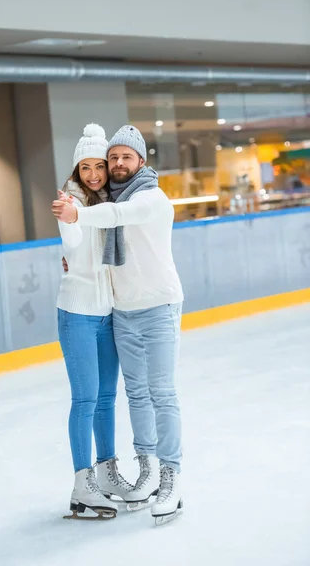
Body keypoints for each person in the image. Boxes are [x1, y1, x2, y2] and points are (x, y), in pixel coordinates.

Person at [53, 125, 184, 525]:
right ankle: (138, 470)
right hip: (117, 310)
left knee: (159, 392)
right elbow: (79, 242)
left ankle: (170, 476)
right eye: (112, 159)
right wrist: (71, 236)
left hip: (156, 306)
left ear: (141, 161)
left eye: (124, 157)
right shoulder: (87, 198)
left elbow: (117, 215)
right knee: (131, 396)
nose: (112, 166)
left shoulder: (149, 197)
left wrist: (78, 217)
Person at [56, 123, 133, 521]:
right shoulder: (70, 201)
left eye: (98, 166)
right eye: (84, 167)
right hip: (78, 314)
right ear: (77, 170)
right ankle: (81, 485)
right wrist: (71, 219)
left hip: (108, 315)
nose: (92, 174)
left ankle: (106, 472)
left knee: (106, 399)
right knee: (85, 399)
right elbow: (71, 242)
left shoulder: (111, 201)